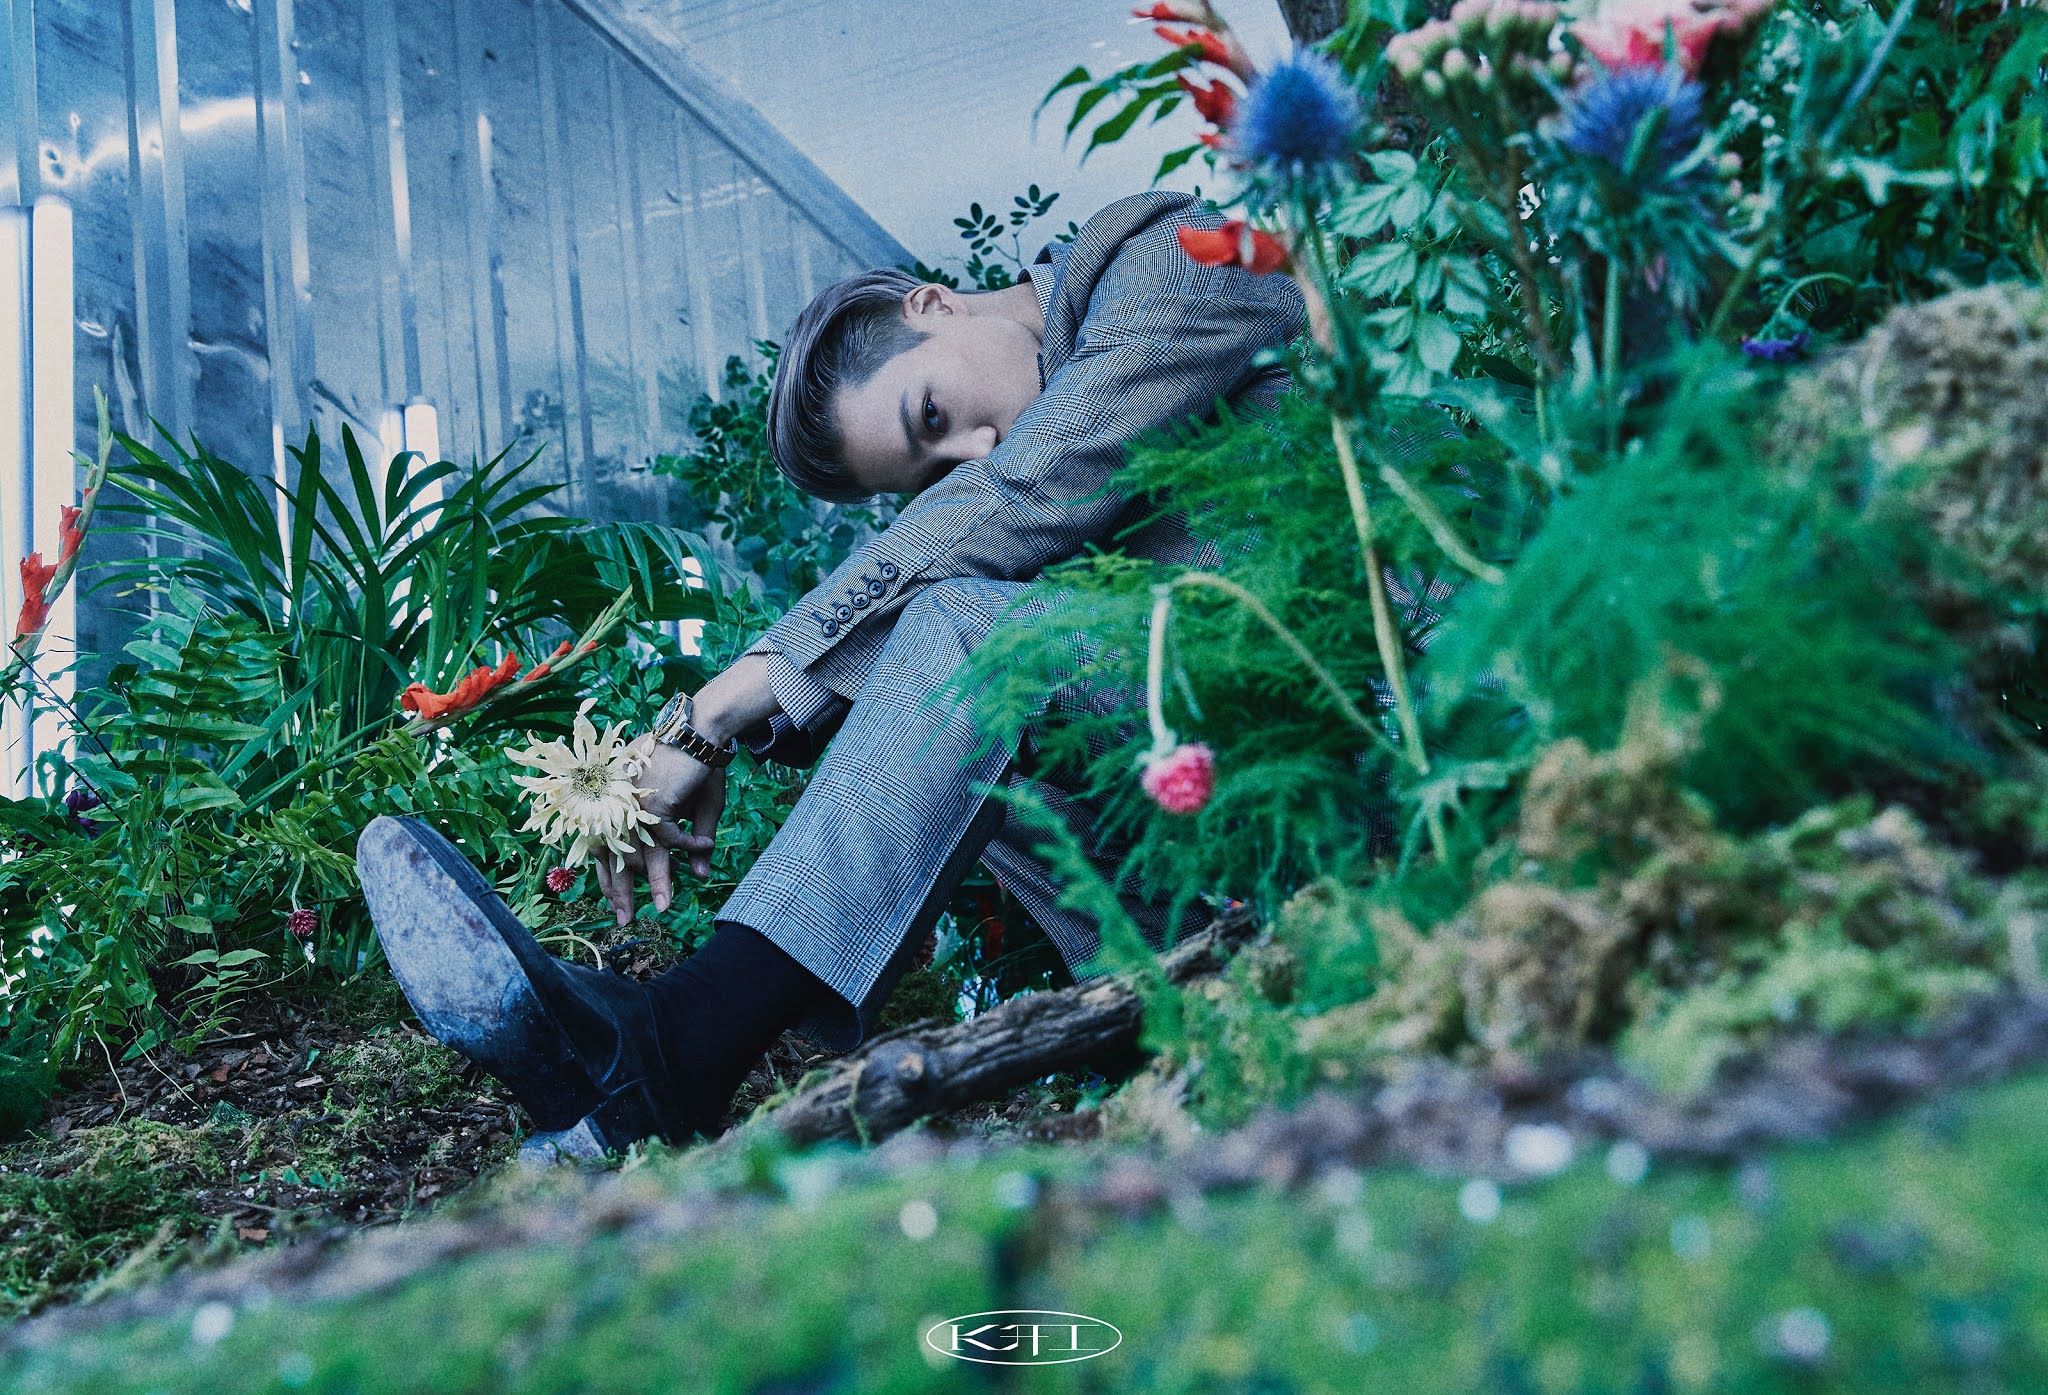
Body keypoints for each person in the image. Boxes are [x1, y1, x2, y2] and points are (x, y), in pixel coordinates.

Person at [356, 191, 1307, 1159]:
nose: (974, 447)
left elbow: (1033, 485)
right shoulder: (1013, 501)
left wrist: (712, 714)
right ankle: (1182, 1035)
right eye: (934, 471)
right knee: (965, 707)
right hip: (1245, 865)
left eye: (931, 412)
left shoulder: (1177, 256)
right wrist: (711, 737)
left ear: (932, 304)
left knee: (968, 631)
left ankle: (678, 1046)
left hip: (1375, 718)